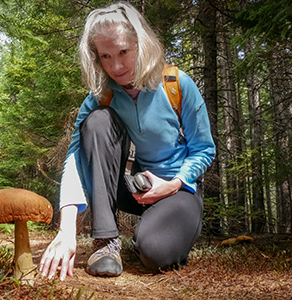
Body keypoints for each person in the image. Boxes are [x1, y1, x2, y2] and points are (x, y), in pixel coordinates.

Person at [39, 1, 215, 281]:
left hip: (176, 188)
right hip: (134, 188)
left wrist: (173, 183)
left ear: (140, 44)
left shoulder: (176, 84)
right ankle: (106, 242)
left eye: (123, 51)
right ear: (96, 58)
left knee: (156, 253)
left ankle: (155, 231)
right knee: (96, 121)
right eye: (106, 56)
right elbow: (75, 157)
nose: (117, 66)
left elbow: (204, 150)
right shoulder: (102, 95)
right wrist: (66, 228)